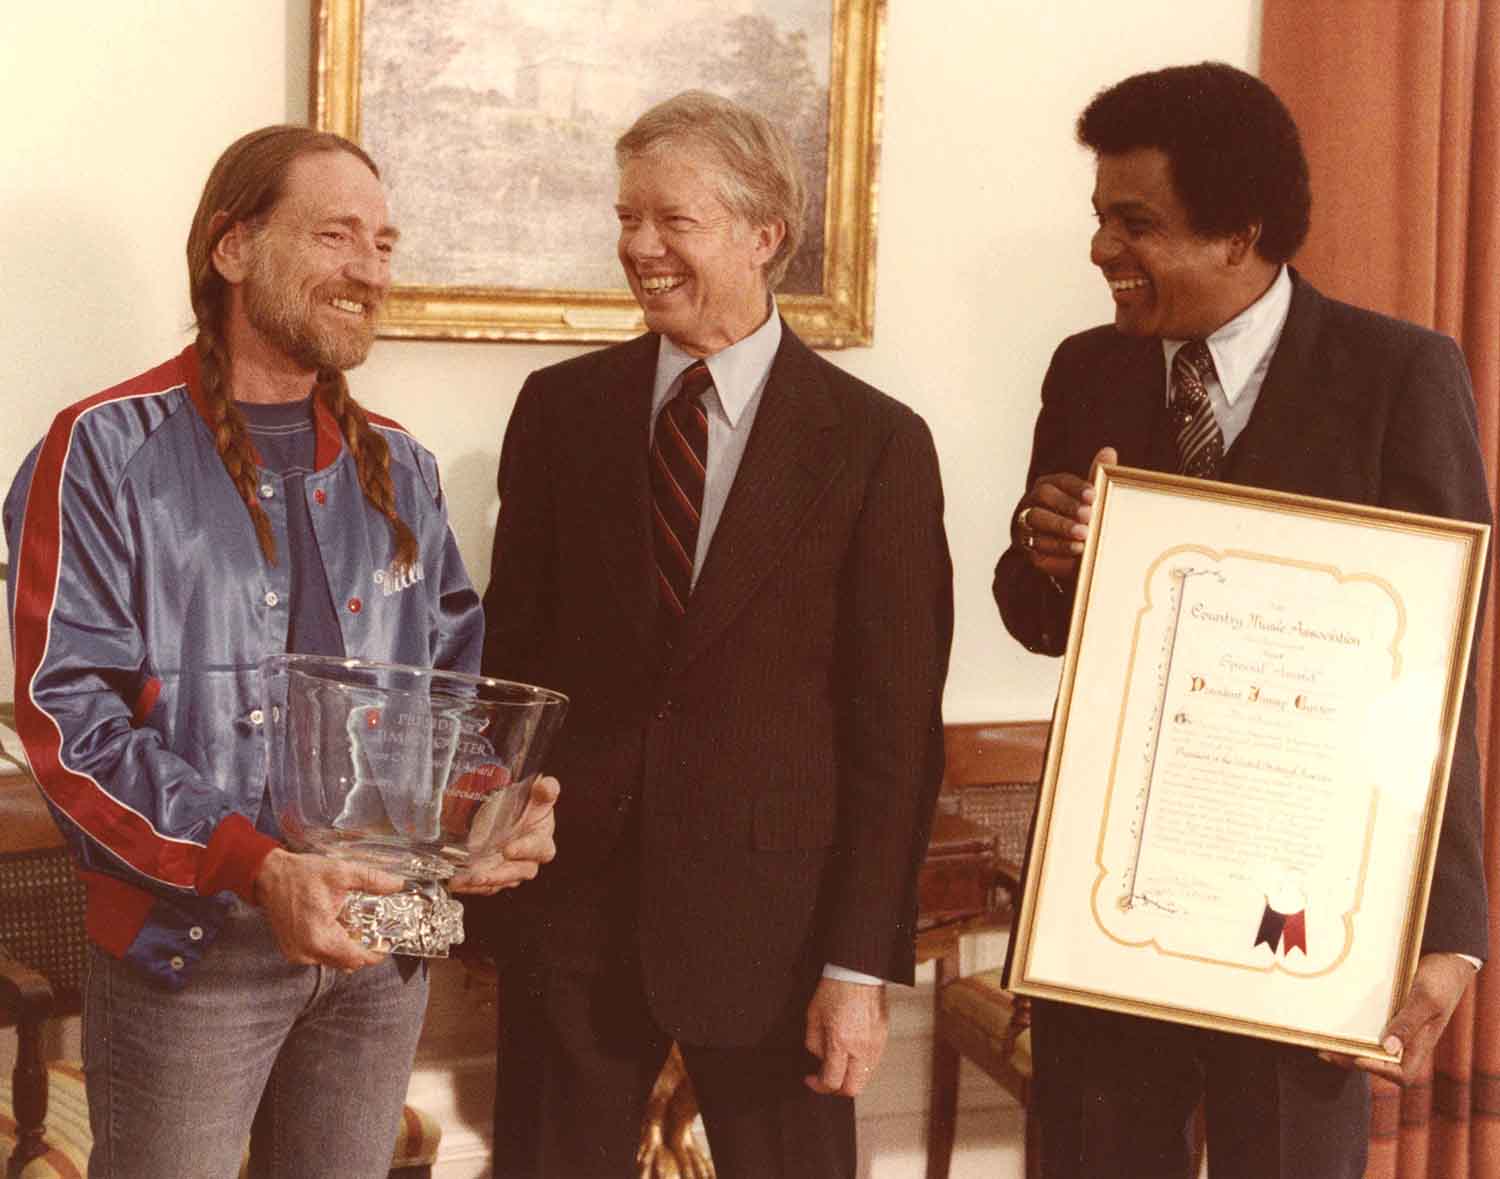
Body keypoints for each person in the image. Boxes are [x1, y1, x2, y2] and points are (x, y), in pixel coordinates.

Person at [3, 125, 558, 1179]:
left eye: (384, 245)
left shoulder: (403, 467)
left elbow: (451, 700)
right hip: (192, 953)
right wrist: (256, 870)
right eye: (335, 236)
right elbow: (69, 722)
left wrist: (486, 808)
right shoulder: (101, 451)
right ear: (233, 248)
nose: (369, 271)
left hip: (384, 943)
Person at [994, 62, 1489, 1179]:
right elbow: (1035, 617)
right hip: (1109, 904)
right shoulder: (1087, 369)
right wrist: (1044, 546)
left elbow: (1445, 668)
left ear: (1239, 233)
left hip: (1300, 917)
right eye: (1099, 217)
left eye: (1136, 223)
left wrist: (1449, 927)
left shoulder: (1400, 376)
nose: (1101, 249)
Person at [476, 90, 953, 1178]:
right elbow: (512, 667)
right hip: (572, 927)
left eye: (672, 221)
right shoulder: (558, 410)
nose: (639, 247)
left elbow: (895, 736)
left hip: (780, 941)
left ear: (763, 235)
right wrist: (486, 864)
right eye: (626, 218)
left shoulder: (875, 444)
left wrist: (858, 966)